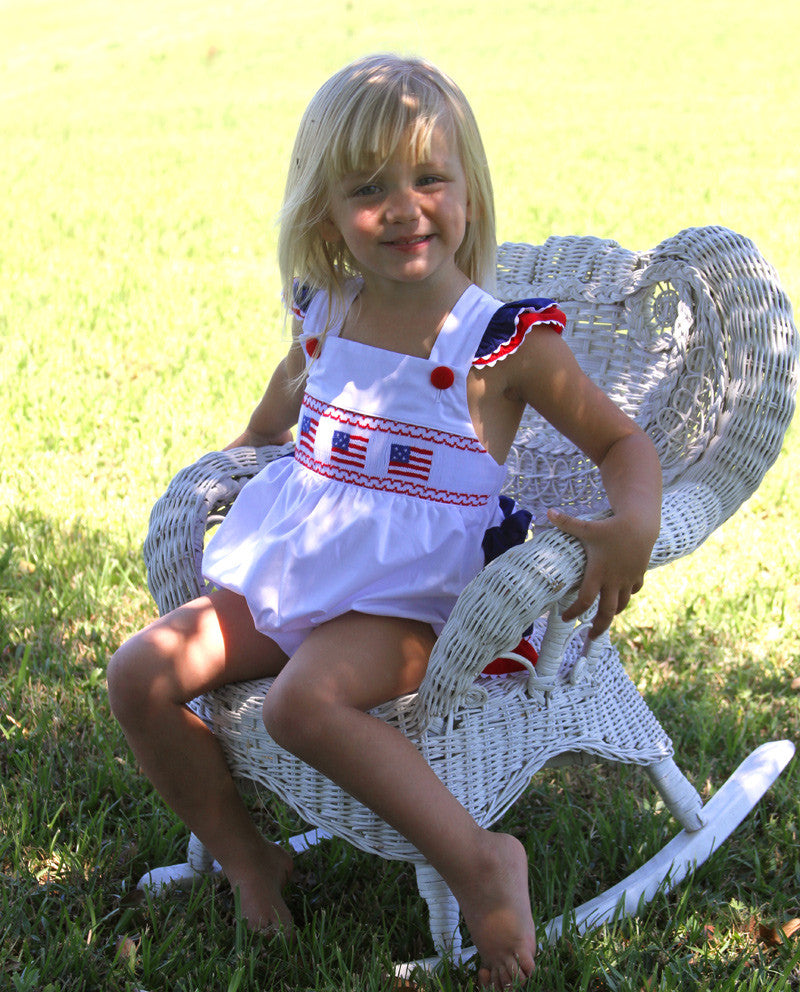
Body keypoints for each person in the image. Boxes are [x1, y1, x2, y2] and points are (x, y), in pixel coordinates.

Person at [107, 53, 662, 989]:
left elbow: (622, 444)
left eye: (428, 178)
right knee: (139, 675)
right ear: (326, 211)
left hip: (417, 600)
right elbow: (293, 387)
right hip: (304, 567)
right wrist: (249, 443)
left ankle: (484, 862)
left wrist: (632, 524)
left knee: (303, 703)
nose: (404, 207)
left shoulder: (501, 341)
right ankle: (252, 856)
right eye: (369, 189)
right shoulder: (329, 309)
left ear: (469, 193)